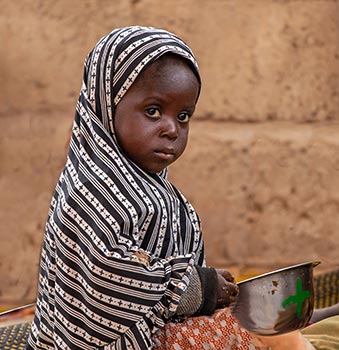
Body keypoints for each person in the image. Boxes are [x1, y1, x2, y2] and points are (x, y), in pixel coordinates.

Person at [25, 26, 239, 350]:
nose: (171, 129)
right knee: (245, 333)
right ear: (107, 105)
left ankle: (297, 321)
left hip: (153, 335)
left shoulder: (150, 188)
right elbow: (109, 280)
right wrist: (198, 287)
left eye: (183, 116)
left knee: (244, 322)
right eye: (153, 111)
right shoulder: (90, 191)